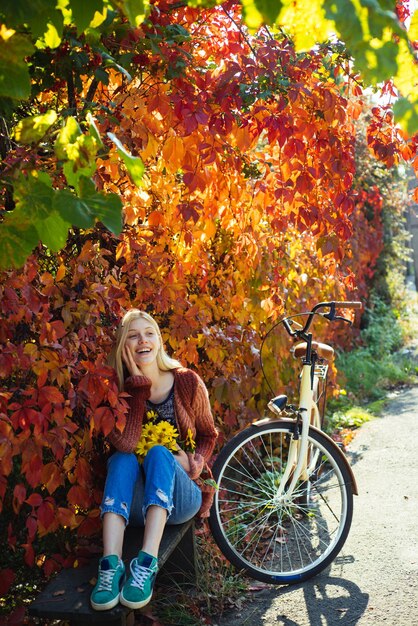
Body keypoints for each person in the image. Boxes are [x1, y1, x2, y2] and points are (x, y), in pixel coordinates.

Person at [90, 309, 218, 611]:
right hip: (133, 504)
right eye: (132, 336)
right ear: (123, 346)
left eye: (149, 334)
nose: (142, 341)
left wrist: (196, 461)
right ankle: (110, 566)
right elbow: (126, 442)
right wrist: (136, 388)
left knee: (159, 453)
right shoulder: (116, 392)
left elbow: (208, 434)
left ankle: (145, 564)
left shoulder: (186, 382)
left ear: (159, 341)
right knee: (122, 459)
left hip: (179, 498)